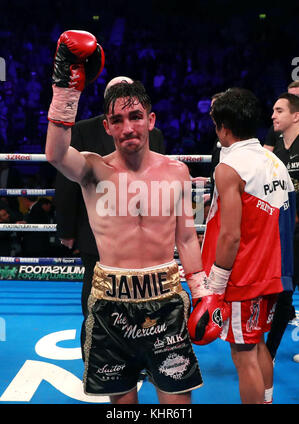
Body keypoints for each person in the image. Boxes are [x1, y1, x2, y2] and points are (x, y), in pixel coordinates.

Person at [45, 30, 206, 404]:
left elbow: (185, 238)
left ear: (151, 120)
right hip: (111, 305)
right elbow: (55, 153)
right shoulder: (93, 170)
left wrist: (201, 293)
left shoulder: (177, 172)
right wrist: (66, 89)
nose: (127, 127)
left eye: (135, 117)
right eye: (117, 120)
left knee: (177, 402)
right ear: (106, 126)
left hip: (165, 301)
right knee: (123, 406)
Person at [55, 76, 165, 355]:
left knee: (148, 307)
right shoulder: (82, 131)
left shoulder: (155, 135)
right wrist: (67, 229)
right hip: (98, 235)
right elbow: (67, 181)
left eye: (135, 111)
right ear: (107, 113)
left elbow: (159, 182)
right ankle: (95, 359)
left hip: (146, 241)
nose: (127, 125)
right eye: (117, 114)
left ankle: (144, 358)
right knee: (94, 301)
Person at [201, 88, 295, 404]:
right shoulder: (275, 162)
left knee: (243, 355)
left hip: (245, 278)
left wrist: (215, 285)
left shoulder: (229, 168)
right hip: (273, 273)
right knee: (258, 345)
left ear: (223, 127)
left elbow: (230, 235)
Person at [265, 92, 299, 362]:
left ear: (296, 116)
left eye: (279, 110)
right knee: (283, 294)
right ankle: (269, 354)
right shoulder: (276, 145)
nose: (273, 115)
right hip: (285, 234)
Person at [263, 81, 299, 152]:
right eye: (290, 96)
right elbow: (265, 157)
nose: (293, 100)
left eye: (298, 96)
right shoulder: (277, 126)